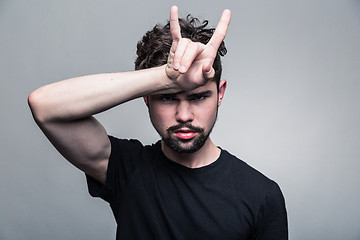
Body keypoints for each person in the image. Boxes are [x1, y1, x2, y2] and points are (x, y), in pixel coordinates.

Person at [28, 6, 288, 240]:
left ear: (219, 94)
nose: (184, 115)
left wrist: (167, 86)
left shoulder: (261, 195)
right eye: (167, 98)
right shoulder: (127, 168)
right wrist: (165, 76)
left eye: (198, 97)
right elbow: (44, 106)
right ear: (146, 99)